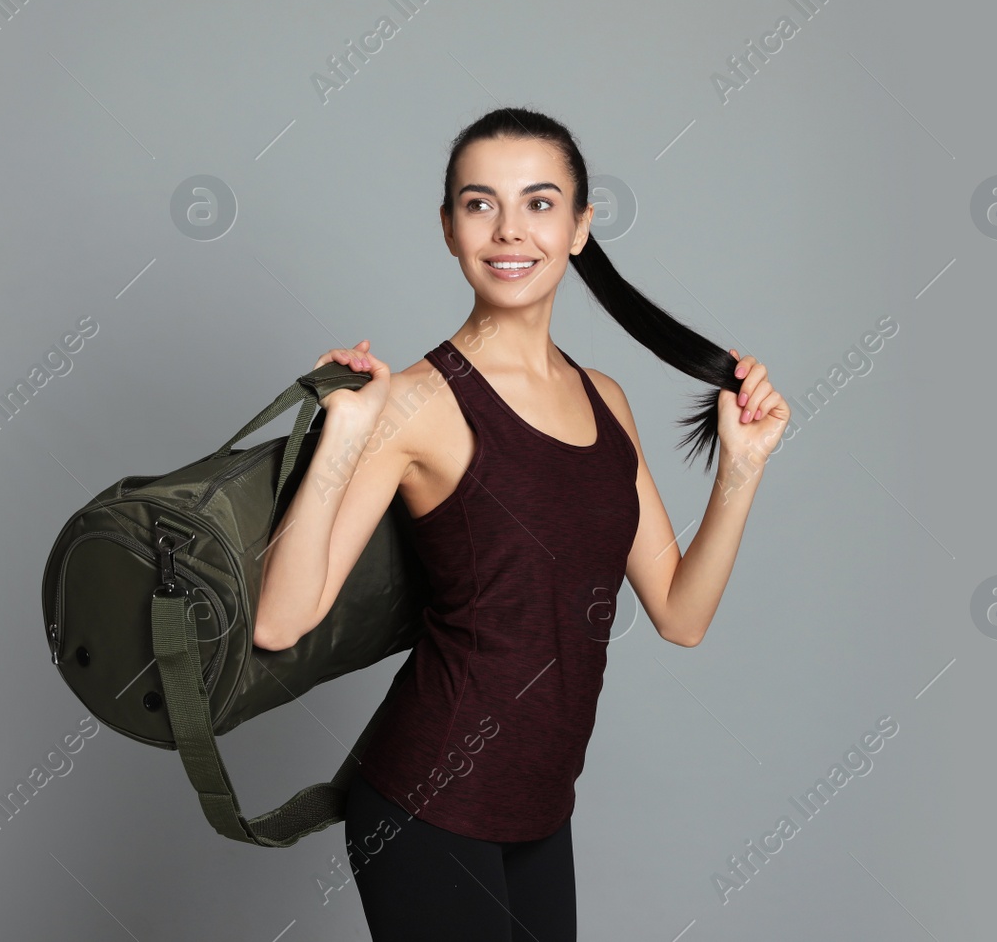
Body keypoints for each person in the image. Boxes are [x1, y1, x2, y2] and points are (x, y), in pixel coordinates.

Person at [253, 106, 789, 940]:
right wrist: (346, 435)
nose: (510, 230)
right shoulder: (418, 402)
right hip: (428, 803)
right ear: (447, 228)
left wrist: (742, 469)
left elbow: (682, 614)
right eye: (479, 204)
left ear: (580, 226)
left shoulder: (606, 399)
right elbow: (281, 619)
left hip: (539, 808)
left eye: (540, 203)